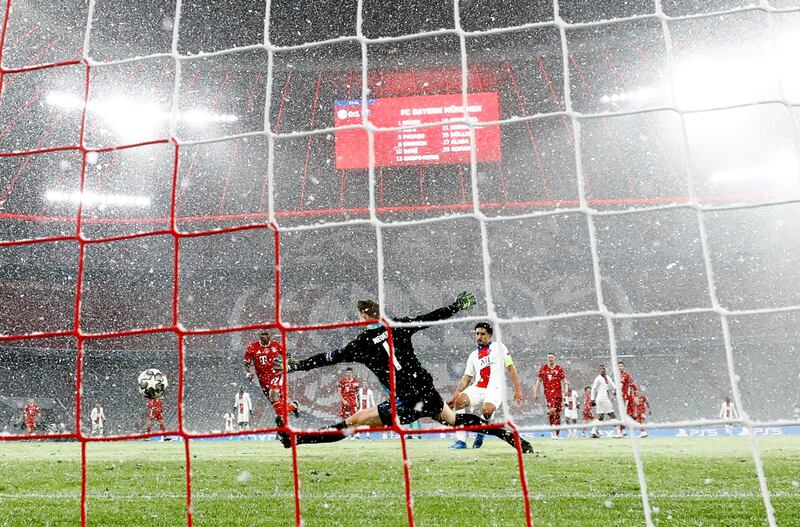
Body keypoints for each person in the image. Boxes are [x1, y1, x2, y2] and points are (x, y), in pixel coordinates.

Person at [277, 293, 534, 454]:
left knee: (354, 421)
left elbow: (326, 359)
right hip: (424, 386)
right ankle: (505, 433)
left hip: (408, 398)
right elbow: (428, 318)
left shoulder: (359, 344)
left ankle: (297, 440)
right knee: (453, 420)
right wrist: (455, 306)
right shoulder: (397, 326)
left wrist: (296, 365)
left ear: (365, 316)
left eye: (359, 316)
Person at [448, 322, 524, 449]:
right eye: (477, 334)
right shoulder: (473, 356)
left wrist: (518, 390)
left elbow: (511, 368)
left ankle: (482, 432)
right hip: (478, 388)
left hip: (495, 388)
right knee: (459, 401)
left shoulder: (500, 347)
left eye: (482, 334)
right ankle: (461, 441)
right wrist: (455, 395)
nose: (479, 337)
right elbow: (466, 378)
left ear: (489, 335)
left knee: (487, 411)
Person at [243, 329, 300, 427]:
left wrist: (290, 362)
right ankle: (293, 407)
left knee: (273, 395)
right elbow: (246, 363)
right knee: (279, 405)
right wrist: (248, 373)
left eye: (266, 334)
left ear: (271, 335)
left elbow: (287, 356)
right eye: (262, 334)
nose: (264, 336)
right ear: (259, 335)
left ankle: (280, 418)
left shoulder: (276, 345)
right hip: (263, 380)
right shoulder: (252, 347)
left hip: (276, 374)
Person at [532, 353, 567, 439]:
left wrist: (565, 390)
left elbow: (564, 381)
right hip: (549, 394)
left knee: (558, 413)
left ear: (554, 358)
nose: (550, 359)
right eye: (548, 357)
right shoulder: (544, 368)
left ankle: (557, 433)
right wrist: (535, 392)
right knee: (552, 411)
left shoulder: (559, 369)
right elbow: (539, 381)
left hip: (558, 394)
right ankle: (553, 432)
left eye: (551, 357)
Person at [590, 364, 622, 438]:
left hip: (603, 399)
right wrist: (592, 399)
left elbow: (614, 387)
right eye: (601, 369)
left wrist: (614, 394)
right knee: (612, 415)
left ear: (606, 369)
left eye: (604, 369)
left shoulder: (608, 378)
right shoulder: (598, 378)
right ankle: (617, 432)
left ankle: (593, 432)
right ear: (599, 370)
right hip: (602, 398)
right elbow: (593, 389)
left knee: (600, 417)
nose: (603, 370)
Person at [618, 361, 639, 435]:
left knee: (624, 414)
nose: (620, 367)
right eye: (619, 366)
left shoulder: (625, 375)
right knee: (630, 414)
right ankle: (642, 429)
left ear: (624, 367)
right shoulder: (620, 375)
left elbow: (621, 385)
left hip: (627, 397)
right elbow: (633, 384)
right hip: (626, 397)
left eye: (621, 366)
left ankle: (621, 431)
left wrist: (636, 395)